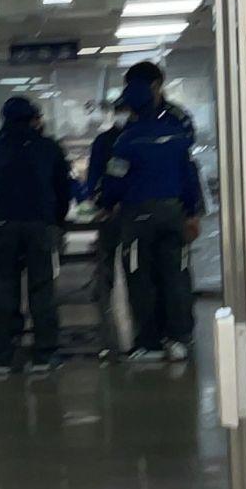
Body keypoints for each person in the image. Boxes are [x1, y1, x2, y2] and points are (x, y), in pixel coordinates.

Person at [100, 80, 204, 363]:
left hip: (138, 218)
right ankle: (180, 339)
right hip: (172, 214)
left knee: (141, 279)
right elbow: (189, 178)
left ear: (131, 109)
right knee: (176, 276)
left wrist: (107, 204)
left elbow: (114, 180)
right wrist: (192, 212)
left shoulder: (125, 141)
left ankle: (150, 343)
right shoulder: (176, 136)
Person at [0, 94, 73, 376]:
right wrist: (57, 220)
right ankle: (44, 354)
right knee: (42, 288)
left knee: (2, 289)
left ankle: (3, 356)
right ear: (33, 119)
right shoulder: (48, 148)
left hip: (3, 226)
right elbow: (63, 189)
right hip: (39, 225)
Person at [85, 95, 132, 361]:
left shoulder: (132, 138)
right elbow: (96, 175)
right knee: (107, 256)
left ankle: (131, 298)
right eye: (120, 110)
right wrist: (99, 201)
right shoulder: (105, 141)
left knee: (131, 260)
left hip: (129, 210)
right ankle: (104, 295)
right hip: (113, 211)